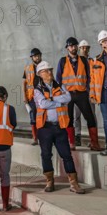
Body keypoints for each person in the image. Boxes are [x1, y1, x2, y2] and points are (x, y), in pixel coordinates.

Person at [35, 61, 83, 194]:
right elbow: (43, 104)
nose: (50, 72)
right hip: (45, 128)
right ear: (40, 74)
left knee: (67, 155)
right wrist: (58, 101)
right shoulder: (37, 89)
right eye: (46, 71)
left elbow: (67, 98)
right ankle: (49, 182)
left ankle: (74, 183)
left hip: (60, 126)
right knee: (46, 155)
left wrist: (52, 100)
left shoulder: (61, 86)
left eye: (50, 70)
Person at [56, 37, 102, 151]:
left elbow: (88, 77)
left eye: (75, 45)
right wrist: (60, 95)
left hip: (81, 94)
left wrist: (87, 90)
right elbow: (58, 79)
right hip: (68, 95)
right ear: (67, 48)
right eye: (71, 46)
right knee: (69, 119)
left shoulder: (83, 60)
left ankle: (94, 143)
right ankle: (71, 143)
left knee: (90, 118)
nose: (73, 47)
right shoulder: (62, 61)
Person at [73, 40, 96, 146]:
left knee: (91, 115)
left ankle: (93, 140)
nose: (85, 49)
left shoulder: (92, 61)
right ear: (79, 49)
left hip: (90, 92)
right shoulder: (75, 62)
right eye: (83, 48)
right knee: (76, 115)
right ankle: (77, 136)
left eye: (87, 47)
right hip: (79, 93)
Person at [23, 48, 42, 145]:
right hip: (31, 97)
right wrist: (25, 97)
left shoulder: (44, 66)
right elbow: (24, 83)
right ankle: (35, 138)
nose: (37, 57)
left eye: (38, 55)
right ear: (32, 58)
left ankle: (43, 138)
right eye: (35, 56)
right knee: (33, 117)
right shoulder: (27, 69)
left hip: (43, 97)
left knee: (43, 117)